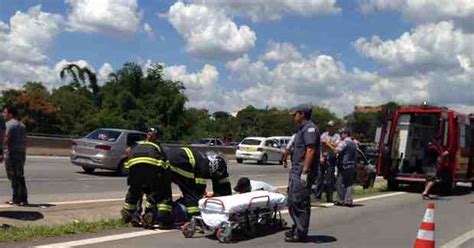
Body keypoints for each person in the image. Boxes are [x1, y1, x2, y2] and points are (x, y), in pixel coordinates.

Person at [121, 127, 173, 229]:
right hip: (150, 171)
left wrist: (130, 175)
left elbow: (128, 155)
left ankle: (129, 213)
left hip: (134, 168)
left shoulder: (139, 144)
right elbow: (165, 166)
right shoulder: (159, 148)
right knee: (154, 191)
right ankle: (148, 214)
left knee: (135, 190)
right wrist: (164, 179)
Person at [285, 104, 320, 243]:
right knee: (292, 201)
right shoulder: (301, 129)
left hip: (302, 172)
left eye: (295, 114)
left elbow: (310, 149)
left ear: (302, 114)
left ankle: (301, 232)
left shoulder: (310, 129)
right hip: (296, 171)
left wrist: (305, 170)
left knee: (300, 202)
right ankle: (298, 226)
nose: (294, 117)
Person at [166, 147, 232, 217]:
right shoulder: (205, 167)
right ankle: (194, 217)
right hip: (178, 162)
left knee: (162, 193)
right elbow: (198, 188)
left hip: (165, 159)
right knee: (190, 192)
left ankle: (162, 216)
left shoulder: (202, 160)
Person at [324, 128, 357, 207]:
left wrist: (328, 144)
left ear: (345, 134)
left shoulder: (344, 143)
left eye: (342, 133)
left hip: (344, 165)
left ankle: (341, 200)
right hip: (352, 165)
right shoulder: (353, 143)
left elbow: (336, 151)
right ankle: (348, 200)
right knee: (349, 184)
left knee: (340, 183)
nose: (341, 135)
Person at [2, 106, 28, 206]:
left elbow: (5, 139)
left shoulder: (8, 125)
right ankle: (24, 199)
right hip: (21, 153)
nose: (3, 114)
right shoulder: (22, 125)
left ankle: (16, 199)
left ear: (10, 114)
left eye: (5, 112)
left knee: (13, 177)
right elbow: (25, 140)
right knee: (20, 176)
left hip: (11, 154)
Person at [314, 121, 340, 202]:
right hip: (323, 157)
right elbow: (321, 145)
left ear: (334, 127)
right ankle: (317, 196)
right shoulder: (324, 134)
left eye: (331, 127)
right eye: (328, 127)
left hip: (331, 159)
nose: (329, 128)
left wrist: (327, 143)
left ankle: (329, 197)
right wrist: (321, 157)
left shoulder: (337, 136)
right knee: (319, 178)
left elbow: (336, 146)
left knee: (329, 180)